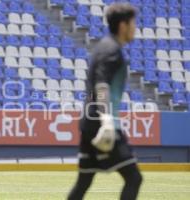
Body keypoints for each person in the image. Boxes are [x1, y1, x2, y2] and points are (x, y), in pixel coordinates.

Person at [68, 3, 142, 200]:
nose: (135, 28)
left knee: (83, 182)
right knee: (134, 178)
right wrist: (107, 121)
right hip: (102, 125)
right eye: (133, 23)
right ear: (123, 25)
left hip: (90, 123)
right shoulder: (111, 50)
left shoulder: (104, 46)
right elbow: (102, 85)